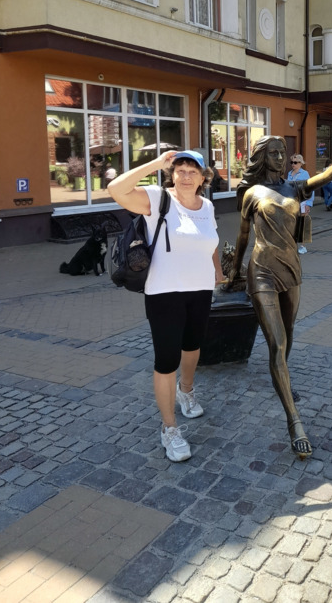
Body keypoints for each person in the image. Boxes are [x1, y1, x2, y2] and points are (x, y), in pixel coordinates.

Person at [226, 132, 332, 458]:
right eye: (273, 153)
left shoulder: (294, 187)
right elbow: (242, 236)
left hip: (291, 270)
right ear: (262, 157)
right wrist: (233, 272)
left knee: (288, 335)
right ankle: (295, 422)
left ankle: (282, 379)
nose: (279, 158)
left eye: (282, 152)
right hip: (261, 272)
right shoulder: (252, 193)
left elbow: (325, 176)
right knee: (276, 344)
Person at [108, 150, 224, 463]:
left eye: (193, 171)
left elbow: (211, 239)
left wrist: (217, 270)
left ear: (202, 178)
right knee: (167, 360)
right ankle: (169, 428)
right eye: (179, 169)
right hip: (164, 292)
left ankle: (186, 391)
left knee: (193, 346)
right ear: (172, 174)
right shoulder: (158, 199)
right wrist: (155, 163)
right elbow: (116, 189)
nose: (186, 175)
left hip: (200, 289)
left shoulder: (207, 206)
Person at [287, 154, 313, 254]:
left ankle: (303, 246)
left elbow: (310, 188)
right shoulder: (289, 174)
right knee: (291, 223)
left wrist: (308, 203)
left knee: (302, 223)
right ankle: (292, 244)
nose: (293, 164)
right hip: (291, 202)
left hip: (302, 202)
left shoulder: (305, 174)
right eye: (292, 162)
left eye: (295, 162)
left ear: (301, 163)